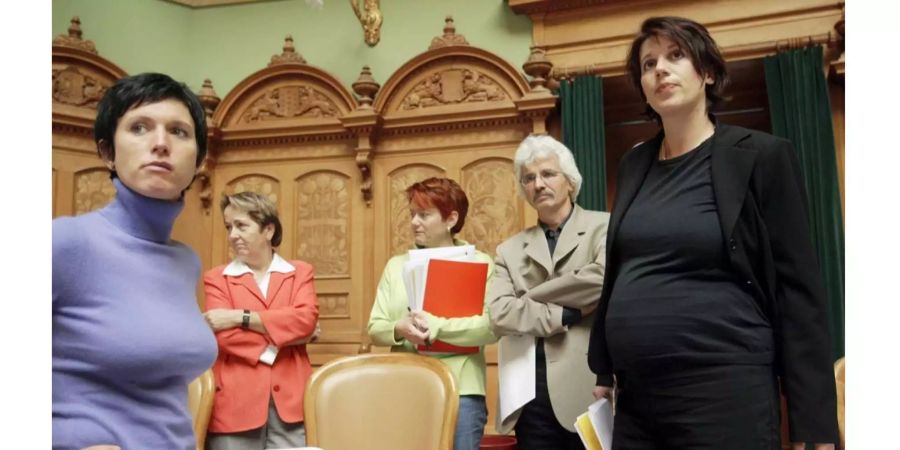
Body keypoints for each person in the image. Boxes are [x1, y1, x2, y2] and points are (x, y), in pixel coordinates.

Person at [587, 16, 839, 449]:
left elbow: (800, 292)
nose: (660, 69)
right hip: (638, 398)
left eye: (675, 56)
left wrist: (811, 423)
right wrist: (604, 369)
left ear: (707, 72)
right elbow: (621, 269)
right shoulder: (634, 165)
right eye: (648, 64)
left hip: (724, 392)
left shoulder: (762, 156)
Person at [52, 73, 218, 450]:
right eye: (139, 128)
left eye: (178, 132)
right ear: (108, 152)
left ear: (199, 161)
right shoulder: (65, 242)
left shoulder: (186, 261)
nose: (160, 143)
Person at [488, 134, 610, 450]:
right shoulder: (508, 249)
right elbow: (500, 313)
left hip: (595, 385)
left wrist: (528, 298)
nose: (538, 184)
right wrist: (565, 313)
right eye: (529, 178)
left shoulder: (605, 227)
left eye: (548, 174)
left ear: (570, 181)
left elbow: (602, 280)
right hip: (531, 396)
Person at [367, 177, 497, 450]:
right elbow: (375, 327)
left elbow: (490, 327)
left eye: (424, 215)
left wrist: (438, 327)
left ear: (451, 219)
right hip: (407, 386)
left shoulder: (481, 263)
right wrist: (398, 329)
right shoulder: (396, 266)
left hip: (463, 391)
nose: (415, 222)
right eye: (413, 214)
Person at [203, 191, 320, 450]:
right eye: (228, 227)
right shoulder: (217, 278)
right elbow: (225, 337)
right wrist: (285, 340)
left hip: (292, 404)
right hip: (234, 406)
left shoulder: (299, 273)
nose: (232, 235)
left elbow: (306, 319)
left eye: (241, 225)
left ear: (268, 230)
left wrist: (239, 317)